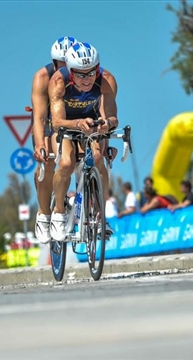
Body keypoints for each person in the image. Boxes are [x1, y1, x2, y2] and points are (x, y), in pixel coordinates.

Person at [48, 42, 119, 240]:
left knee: (97, 158)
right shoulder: (58, 82)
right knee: (66, 163)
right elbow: (56, 122)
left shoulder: (106, 79)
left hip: (93, 122)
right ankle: (59, 212)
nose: (87, 79)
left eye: (91, 72)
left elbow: (113, 117)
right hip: (67, 124)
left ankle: (99, 214)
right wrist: (78, 123)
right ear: (70, 72)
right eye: (80, 74)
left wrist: (106, 123)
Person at [31, 36, 79, 244]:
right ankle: (43, 213)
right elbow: (40, 117)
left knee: (80, 158)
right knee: (48, 161)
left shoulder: (82, 74)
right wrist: (41, 143)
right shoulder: (43, 78)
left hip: (75, 117)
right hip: (51, 120)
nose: (69, 68)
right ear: (55, 63)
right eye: (64, 63)